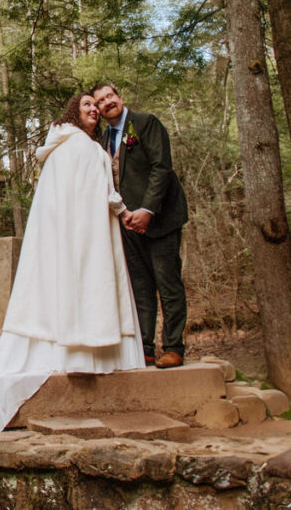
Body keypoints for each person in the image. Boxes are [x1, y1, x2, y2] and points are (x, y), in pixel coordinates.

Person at [0, 93, 145, 432]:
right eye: (86, 105)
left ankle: (89, 351)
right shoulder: (76, 144)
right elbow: (91, 191)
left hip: (88, 228)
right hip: (83, 232)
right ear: (73, 112)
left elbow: (101, 188)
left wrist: (120, 212)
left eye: (95, 105)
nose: (94, 108)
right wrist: (120, 212)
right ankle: (82, 352)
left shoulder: (73, 143)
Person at [90, 83, 189, 369]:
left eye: (110, 96)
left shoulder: (145, 123)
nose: (107, 102)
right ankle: (144, 348)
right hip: (129, 224)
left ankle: (173, 347)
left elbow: (161, 167)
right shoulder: (105, 137)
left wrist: (147, 210)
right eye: (101, 101)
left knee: (167, 282)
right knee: (140, 288)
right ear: (98, 109)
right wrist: (126, 215)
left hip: (161, 218)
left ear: (119, 97)